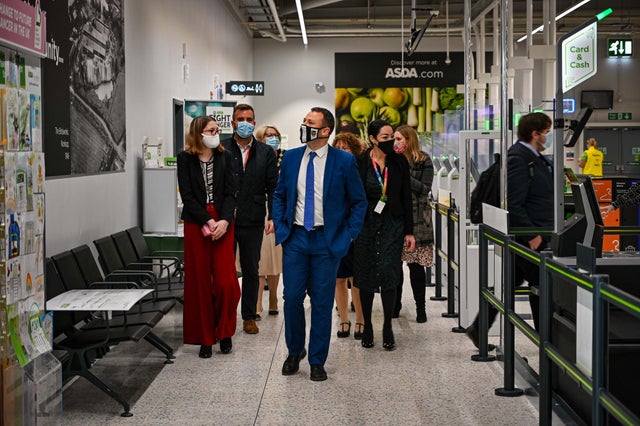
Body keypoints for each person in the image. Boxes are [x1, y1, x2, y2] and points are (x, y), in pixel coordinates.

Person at [273, 107, 367, 381]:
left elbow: (358, 202)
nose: (304, 125)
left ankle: (317, 360)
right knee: (291, 299)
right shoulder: (290, 158)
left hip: (328, 240)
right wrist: (282, 227)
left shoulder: (343, 161)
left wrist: (349, 233)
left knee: (323, 303)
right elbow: (279, 195)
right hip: (296, 238)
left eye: (310, 123)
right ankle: (294, 351)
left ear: (325, 131)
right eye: (304, 121)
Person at [465, 112, 553, 349]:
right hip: (528, 236)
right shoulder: (519, 159)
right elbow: (513, 202)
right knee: (540, 285)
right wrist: (532, 235)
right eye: (546, 132)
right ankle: (547, 342)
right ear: (535, 134)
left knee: (510, 281)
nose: (548, 137)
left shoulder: (531, 157)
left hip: (532, 233)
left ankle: (479, 328)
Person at [177, 115, 241, 358]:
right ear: (198, 133)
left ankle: (224, 332)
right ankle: (205, 338)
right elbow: (188, 195)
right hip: (197, 222)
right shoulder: (185, 159)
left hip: (223, 221)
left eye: (217, 130)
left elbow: (231, 192)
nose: (215, 134)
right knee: (200, 282)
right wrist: (207, 220)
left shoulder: (225, 157)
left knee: (226, 282)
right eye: (211, 130)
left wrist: (223, 221)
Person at [353, 119, 415, 351]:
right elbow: (351, 197)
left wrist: (409, 231)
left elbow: (407, 198)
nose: (390, 141)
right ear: (373, 139)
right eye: (385, 137)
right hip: (365, 224)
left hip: (393, 223)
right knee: (366, 273)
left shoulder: (399, 162)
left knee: (390, 272)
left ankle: (387, 324)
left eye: (392, 136)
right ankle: (367, 324)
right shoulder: (359, 163)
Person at [222, 104, 278, 335]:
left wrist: (273, 215)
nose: (245, 122)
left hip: (254, 218)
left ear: (254, 123)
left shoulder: (265, 152)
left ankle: (248, 317)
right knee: (225, 271)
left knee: (251, 270)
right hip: (226, 220)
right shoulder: (222, 149)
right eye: (240, 118)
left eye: (249, 119)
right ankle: (223, 315)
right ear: (233, 122)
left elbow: (273, 187)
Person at [392, 125, 434, 323]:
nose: (396, 142)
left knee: (416, 267)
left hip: (418, 221)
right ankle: (395, 304)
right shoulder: (390, 159)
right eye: (394, 139)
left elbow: (425, 189)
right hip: (396, 218)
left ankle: (421, 307)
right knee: (394, 267)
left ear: (409, 140)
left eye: (399, 139)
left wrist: (404, 176)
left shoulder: (424, 160)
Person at [332, 132, 366, 339]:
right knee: (338, 279)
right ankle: (343, 319)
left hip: (356, 229)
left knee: (357, 279)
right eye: (338, 147)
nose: (341, 151)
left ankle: (360, 319)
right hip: (336, 230)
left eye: (345, 147)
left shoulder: (360, 169)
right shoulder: (329, 169)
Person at [254, 124, 285, 318]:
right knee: (258, 258)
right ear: (260, 138)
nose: (272, 138)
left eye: (275, 135)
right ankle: (257, 302)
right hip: (259, 209)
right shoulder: (255, 156)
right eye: (268, 135)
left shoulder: (285, 157)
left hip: (280, 210)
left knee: (275, 258)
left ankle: (273, 297)